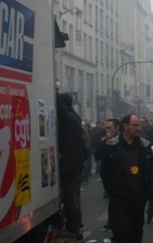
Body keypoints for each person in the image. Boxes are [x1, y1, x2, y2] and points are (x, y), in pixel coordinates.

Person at [100, 114, 153, 243]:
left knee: (136, 232)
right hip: (120, 198)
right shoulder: (112, 146)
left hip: (138, 198)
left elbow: (150, 171)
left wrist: (149, 193)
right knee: (122, 231)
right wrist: (112, 190)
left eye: (139, 125)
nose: (138, 128)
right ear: (125, 126)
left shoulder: (144, 146)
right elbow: (105, 171)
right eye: (135, 125)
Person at [56, 92, 87, 240]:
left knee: (70, 197)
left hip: (69, 163)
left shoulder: (68, 118)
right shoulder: (75, 117)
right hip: (74, 162)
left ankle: (73, 227)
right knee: (74, 196)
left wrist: (53, 92)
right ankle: (77, 225)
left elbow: (61, 112)